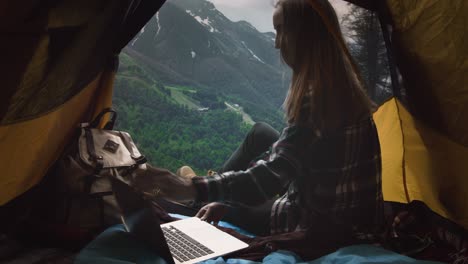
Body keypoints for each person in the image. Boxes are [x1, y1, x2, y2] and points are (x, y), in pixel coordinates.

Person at [150, 0, 383, 258]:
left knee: (202, 203)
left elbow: (269, 180)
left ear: (303, 33)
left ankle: (196, 191)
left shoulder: (317, 97)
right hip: (347, 216)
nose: (276, 42)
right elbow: (294, 157)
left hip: (316, 226)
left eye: (282, 30)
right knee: (260, 132)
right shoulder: (342, 85)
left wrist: (189, 187)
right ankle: (210, 187)